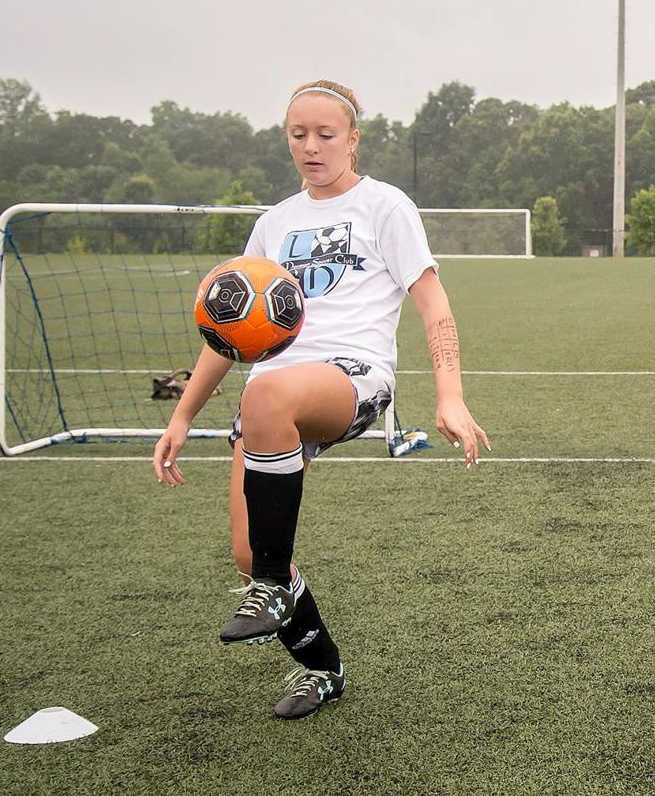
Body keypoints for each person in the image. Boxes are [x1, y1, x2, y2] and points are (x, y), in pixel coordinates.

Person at [153, 79, 489, 718]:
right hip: (271, 401)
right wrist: (182, 414)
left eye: (325, 135)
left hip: (353, 376)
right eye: (298, 135)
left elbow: (434, 304)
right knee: (252, 552)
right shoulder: (273, 223)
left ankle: (274, 588)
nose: (310, 147)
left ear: (353, 141)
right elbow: (227, 333)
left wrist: (450, 396)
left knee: (271, 399)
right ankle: (322, 668)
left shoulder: (384, 207)